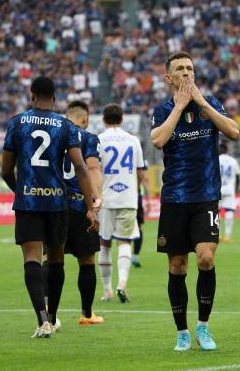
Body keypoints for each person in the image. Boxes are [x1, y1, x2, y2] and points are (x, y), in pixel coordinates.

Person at [151, 51, 240, 351]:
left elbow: (234, 132)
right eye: (180, 69)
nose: (187, 73)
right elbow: (158, 140)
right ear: (169, 77)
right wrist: (179, 107)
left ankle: (203, 327)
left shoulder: (210, 104)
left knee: (206, 257)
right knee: (177, 266)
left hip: (205, 197)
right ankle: (182, 332)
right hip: (175, 198)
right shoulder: (163, 109)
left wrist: (201, 102)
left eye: (190, 68)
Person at [2, 76, 96, 338]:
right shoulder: (65, 126)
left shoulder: (17, 123)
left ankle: (41, 319)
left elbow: (6, 169)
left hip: (29, 201)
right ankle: (53, 317)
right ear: (54, 98)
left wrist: (21, 190)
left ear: (32, 96)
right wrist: (90, 207)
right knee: (56, 260)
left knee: (32, 259)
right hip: (57, 202)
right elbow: (80, 168)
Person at [55, 100, 104, 325]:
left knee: (53, 260)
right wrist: (95, 198)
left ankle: (48, 315)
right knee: (87, 261)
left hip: (53, 205)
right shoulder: (89, 138)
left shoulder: (55, 132)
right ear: (85, 119)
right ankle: (87, 314)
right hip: (78, 204)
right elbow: (92, 167)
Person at [97, 103, 148, 303]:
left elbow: (93, 170)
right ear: (122, 119)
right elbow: (141, 171)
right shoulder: (133, 140)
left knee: (105, 243)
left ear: (103, 119)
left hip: (105, 198)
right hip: (128, 198)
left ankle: (107, 290)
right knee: (125, 242)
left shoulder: (98, 140)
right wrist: (146, 196)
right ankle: (122, 284)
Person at [218, 143, 240, 243]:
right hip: (229, 189)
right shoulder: (233, 161)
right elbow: (238, 176)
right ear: (227, 150)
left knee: (216, 212)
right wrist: (236, 190)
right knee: (229, 211)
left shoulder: (215, 159)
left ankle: (216, 235)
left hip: (217, 189)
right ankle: (227, 236)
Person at [132, 156, 151, 268]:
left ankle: (122, 255)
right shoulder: (140, 158)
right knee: (138, 228)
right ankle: (135, 256)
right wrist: (148, 199)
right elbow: (145, 178)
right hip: (135, 195)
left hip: (118, 195)